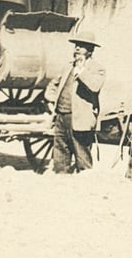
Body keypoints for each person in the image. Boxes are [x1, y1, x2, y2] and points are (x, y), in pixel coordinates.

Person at [45, 32, 107, 174]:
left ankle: (84, 188)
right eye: (76, 46)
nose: (77, 49)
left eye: (82, 46)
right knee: (60, 154)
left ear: (90, 50)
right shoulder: (68, 67)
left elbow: (95, 86)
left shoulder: (97, 69)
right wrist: (51, 98)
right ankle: (62, 183)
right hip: (61, 116)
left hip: (80, 119)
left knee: (82, 157)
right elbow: (53, 84)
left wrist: (81, 72)